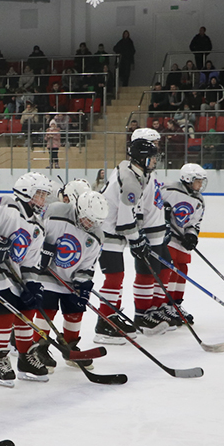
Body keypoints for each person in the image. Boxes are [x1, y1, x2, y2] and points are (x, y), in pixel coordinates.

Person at [0, 172, 55, 385]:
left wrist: (32, 285)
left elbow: (30, 261)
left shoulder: (38, 225)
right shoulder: (8, 205)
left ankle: (25, 358)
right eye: (39, 194)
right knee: (4, 314)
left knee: (27, 311)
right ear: (27, 192)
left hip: (16, 274)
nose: (43, 199)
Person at [94, 128, 162, 345]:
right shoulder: (131, 181)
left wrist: (135, 238)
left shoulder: (132, 171)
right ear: (142, 159)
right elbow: (124, 222)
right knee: (114, 277)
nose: (154, 163)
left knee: (116, 277)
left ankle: (111, 315)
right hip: (107, 233)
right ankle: (105, 323)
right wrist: (137, 240)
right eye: (151, 159)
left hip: (110, 231)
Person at [32, 181, 109, 370]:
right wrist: (42, 251)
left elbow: (86, 266)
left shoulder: (97, 236)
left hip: (70, 278)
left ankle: (71, 348)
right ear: (79, 209)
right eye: (89, 219)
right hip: (46, 273)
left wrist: (82, 285)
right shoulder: (56, 212)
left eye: (96, 222)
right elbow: (35, 232)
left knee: (75, 310)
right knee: (47, 309)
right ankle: (39, 347)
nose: (92, 225)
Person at [161, 164, 207, 320]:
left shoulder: (198, 199)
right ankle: (166, 304)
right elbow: (152, 207)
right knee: (172, 268)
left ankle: (176, 303)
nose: (201, 185)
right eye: (198, 181)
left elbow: (195, 222)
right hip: (167, 238)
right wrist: (163, 218)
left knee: (182, 269)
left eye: (202, 181)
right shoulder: (169, 190)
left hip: (181, 240)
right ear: (188, 179)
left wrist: (191, 235)